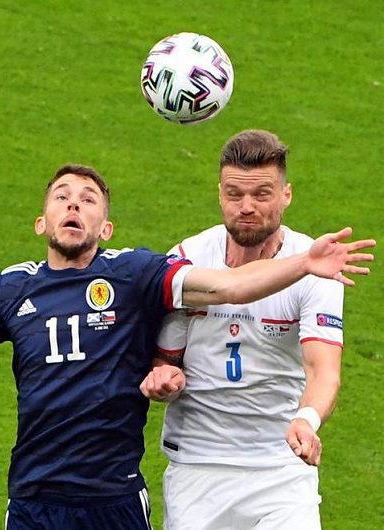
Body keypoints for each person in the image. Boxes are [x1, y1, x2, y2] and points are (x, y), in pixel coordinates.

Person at [0, 163, 374, 530]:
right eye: (61, 196)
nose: (73, 203)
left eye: (88, 199)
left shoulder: (137, 275)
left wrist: (304, 262)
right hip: (33, 499)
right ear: (42, 221)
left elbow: (234, 282)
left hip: (113, 500)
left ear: (105, 227)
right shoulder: (8, 291)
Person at [140, 130, 361, 530]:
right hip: (198, 464)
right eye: (234, 194)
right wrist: (165, 378)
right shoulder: (187, 258)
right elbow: (166, 359)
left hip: (281, 465)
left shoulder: (317, 265)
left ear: (286, 194)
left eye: (262, 194)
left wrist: (306, 421)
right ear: (220, 194)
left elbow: (323, 369)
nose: (246, 207)